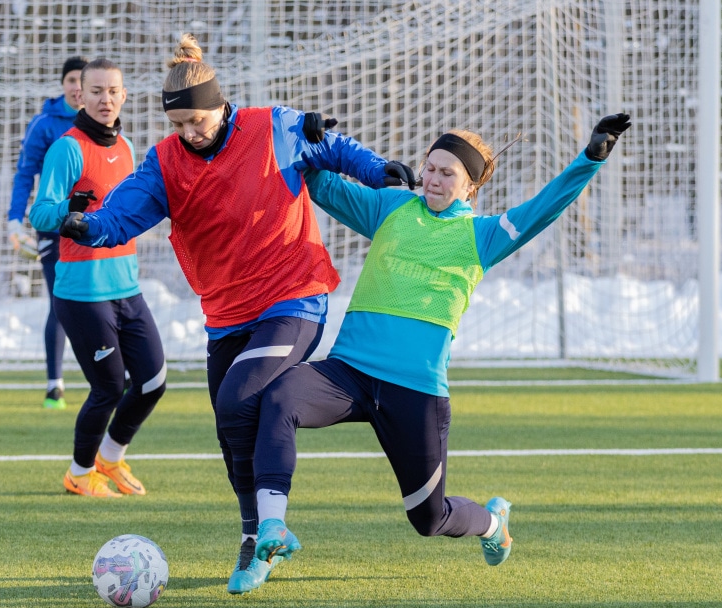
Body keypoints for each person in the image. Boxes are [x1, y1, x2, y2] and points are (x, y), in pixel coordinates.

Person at [57, 34, 415, 593]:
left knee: (238, 396)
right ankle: (257, 541)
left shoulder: (271, 125)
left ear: (221, 106)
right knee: (231, 427)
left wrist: (379, 169)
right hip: (225, 312)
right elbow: (123, 215)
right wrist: (88, 227)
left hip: (295, 296)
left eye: (198, 121)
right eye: (179, 126)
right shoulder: (165, 161)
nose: (189, 133)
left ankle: (271, 525)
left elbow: (331, 148)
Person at [251, 114, 633, 575]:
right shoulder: (390, 208)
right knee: (280, 395)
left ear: (470, 188)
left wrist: (590, 159)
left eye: (446, 172)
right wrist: (312, 137)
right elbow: (316, 180)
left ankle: (493, 522)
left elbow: (545, 207)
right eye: (429, 167)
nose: (432, 178)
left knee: (429, 519)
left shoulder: (482, 236)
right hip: (347, 373)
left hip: (415, 392)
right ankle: (272, 527)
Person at [29, 59, 167, 499]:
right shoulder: (67, 148)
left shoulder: (126, 146)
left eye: (113, 91)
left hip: (126, 286)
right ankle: (78, 472)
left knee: (152, 380)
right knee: (108, 387)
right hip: (82, 291)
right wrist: (72, 210)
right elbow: (41, 213)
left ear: (124, 95)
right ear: (80, 96)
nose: (105, 99)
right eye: (96, 91)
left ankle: (110, 457)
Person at [7, 56, 88, 410]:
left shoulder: (104, 121)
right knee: (61, 302)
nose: (78, 87)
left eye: (84, 80)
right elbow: (25, 174)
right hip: (53, 227)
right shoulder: (44, 124)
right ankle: (55, 384)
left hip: (93, 228)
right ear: (64, 85)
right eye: (72, 80)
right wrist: (14, 219)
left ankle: (110, 376)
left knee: (100, 300)